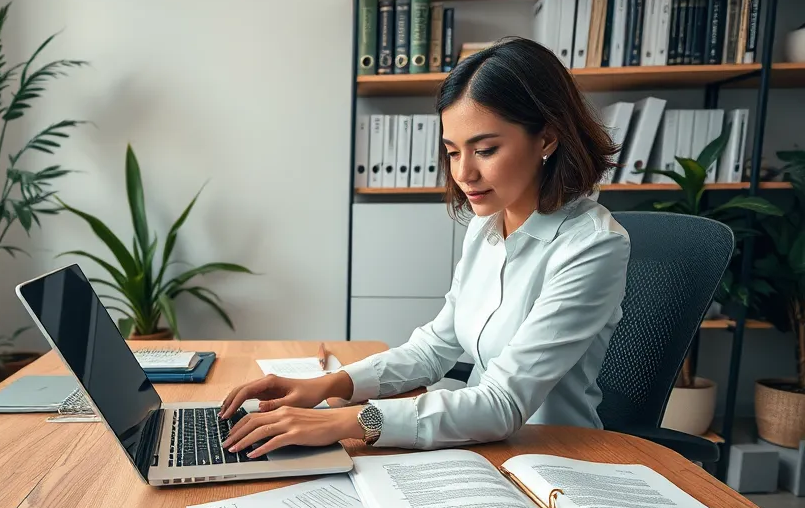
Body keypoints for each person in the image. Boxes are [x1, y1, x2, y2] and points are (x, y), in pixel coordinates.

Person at [221, 36, 630, 457]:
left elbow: (502, 404)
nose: (464, 173)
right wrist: (326, 385)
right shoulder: (486, 225)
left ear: (547, 138)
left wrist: (343, 420)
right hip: (480, 448)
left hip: (551, 461)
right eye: (453, 152)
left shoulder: (593, 247)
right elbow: (436, 346)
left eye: (485, 150)